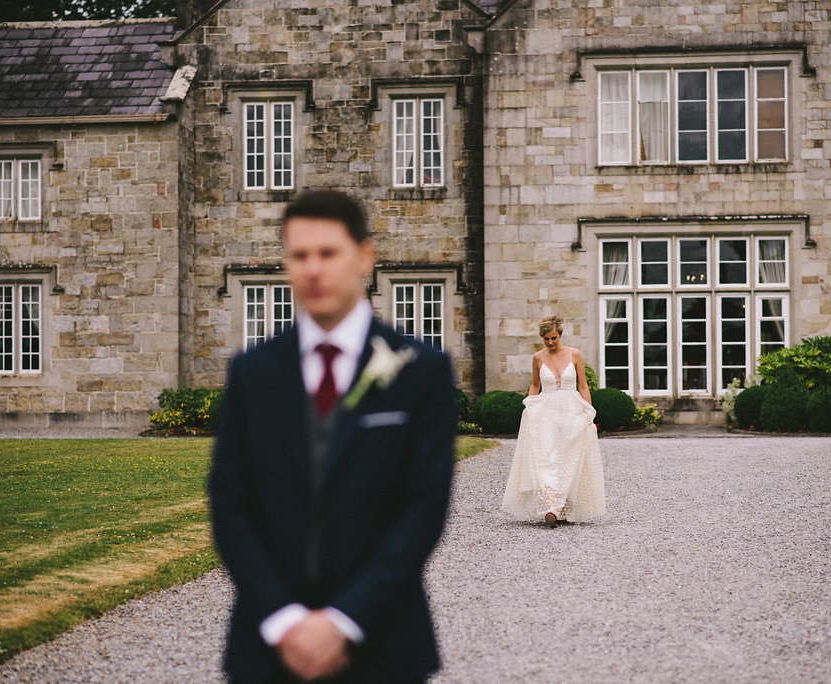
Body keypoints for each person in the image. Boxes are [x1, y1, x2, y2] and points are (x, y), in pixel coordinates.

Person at [209, 189, 455, 684]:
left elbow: (422, 507)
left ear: (365, 255)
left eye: (327, 253)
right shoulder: (252, 373)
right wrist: (284, 619)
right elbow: (231, 504)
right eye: (299, 256)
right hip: (269, 646)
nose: (313, 270)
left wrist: (345, 621)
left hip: (383, 641)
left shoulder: (421, 371)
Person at [502, 314, 605, 528]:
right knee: (547, 459)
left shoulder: (575, 355)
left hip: (572, 412)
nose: (550, 342)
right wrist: (529, 407)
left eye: (553, 338)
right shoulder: (537, 358)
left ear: (560, 335)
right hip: (545, 414)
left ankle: (562, 508)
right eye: (546, 339)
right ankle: (551, 507)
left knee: (569, 459)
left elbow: (583, 386)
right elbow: (535, 385)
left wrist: (589, 413)